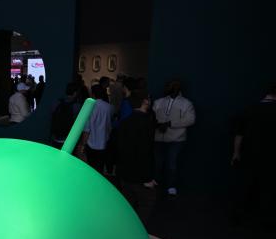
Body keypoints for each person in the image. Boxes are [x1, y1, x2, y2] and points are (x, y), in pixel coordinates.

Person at [230, 83, 276, 227]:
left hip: (249, 154)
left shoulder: (249, 110)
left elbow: (239, 135)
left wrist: (236, 153)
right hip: (271, 157)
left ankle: (239, 215)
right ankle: (264, 219)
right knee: (268, 188)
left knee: (245, 185)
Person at [117, 89, 157, 225]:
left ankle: (125, 233)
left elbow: (121, 149)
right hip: (140, 176)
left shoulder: (124, 122)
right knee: (146, 204)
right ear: (145, 101)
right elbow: (144, 152)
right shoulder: (147, 124)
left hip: (125, 173)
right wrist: (148, 178)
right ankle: (137, 236)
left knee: (128, 206)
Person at [153, 79, 196, 196]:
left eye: (172, 86)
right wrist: (158, 124)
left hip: (177, 139)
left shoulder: (186, 103)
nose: (168, 87)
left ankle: (171, 186)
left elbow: (190, 120)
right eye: (168, 85)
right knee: (158, 162)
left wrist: (170, 124)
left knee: (171, 163)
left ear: (178, 88)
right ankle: (156, 182)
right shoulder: (159, 102)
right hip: (158, 138)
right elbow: (152, 115)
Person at [80, 84, 113, 173]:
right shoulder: (109, 107)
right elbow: (109, 126)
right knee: (99, 170)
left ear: (93, 94)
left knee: (89, 170)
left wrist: (83, 145)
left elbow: (87, 128)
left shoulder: (90, 107)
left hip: (91, 144)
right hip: (103, 143)